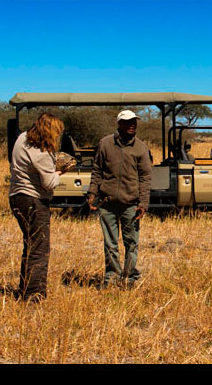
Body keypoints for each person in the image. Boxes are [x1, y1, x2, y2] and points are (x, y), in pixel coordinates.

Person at [87, 109, 153, 289]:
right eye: (128, 122)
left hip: (131, 204)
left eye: (134, 121)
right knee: (110, 243)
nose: (132, 125)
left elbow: (146, 178)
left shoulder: (141, 148)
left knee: (131, 243)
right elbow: (97, 170)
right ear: (119, 124)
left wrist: (143, 203)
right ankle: (111, 277)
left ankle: (130, 278)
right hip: (107, 203)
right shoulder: (105, 144)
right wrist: (92, 193)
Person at [9, 113, 66, 303]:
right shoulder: (41, 152)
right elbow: (49, 183)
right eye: (56, 132)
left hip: (16, 197)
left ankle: (25, 289)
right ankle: (34, 294)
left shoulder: (21, 138)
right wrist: (60, 171)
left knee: (30, 245)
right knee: (40, 248)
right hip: (34, 200)